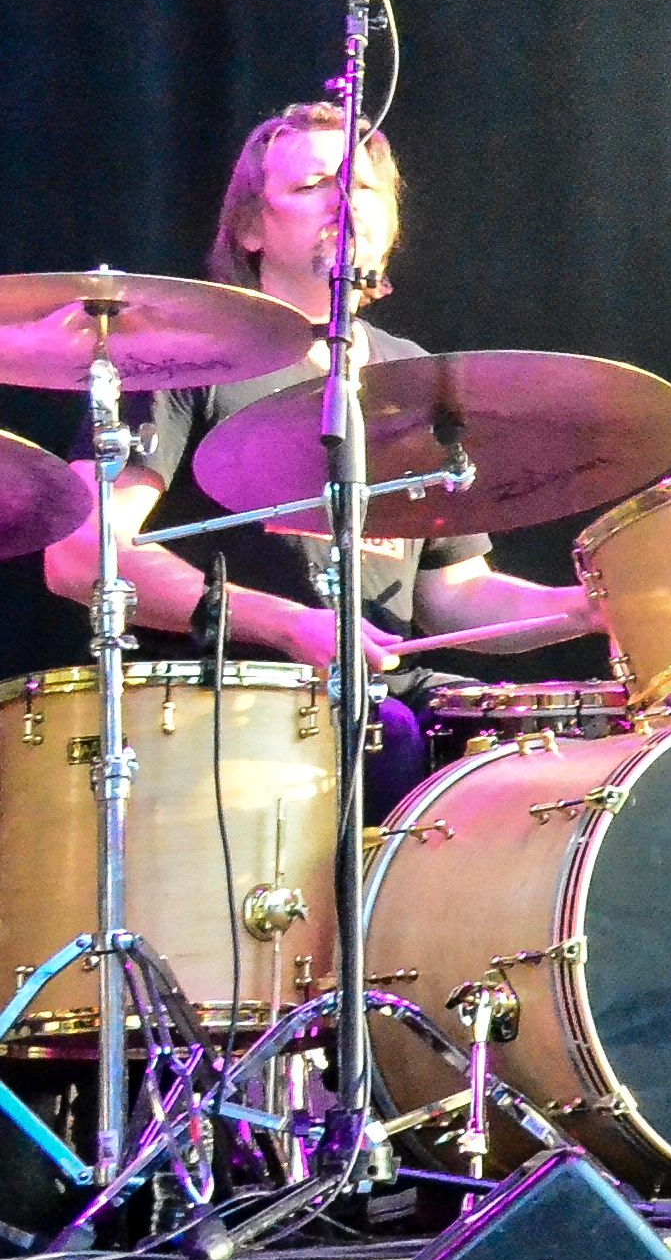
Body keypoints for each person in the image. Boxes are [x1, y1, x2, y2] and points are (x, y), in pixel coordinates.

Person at [42, 105, 597, 795]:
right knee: (395, 735)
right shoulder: (191, 358)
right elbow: (80, 555)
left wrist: (585, 608)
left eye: (362, 187)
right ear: (249, 228)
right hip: (228, 705)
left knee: (547, 751)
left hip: (384, 697)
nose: (343, 202)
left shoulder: (414, 375)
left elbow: (453, 594)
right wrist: (286, 624)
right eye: (311, 186)